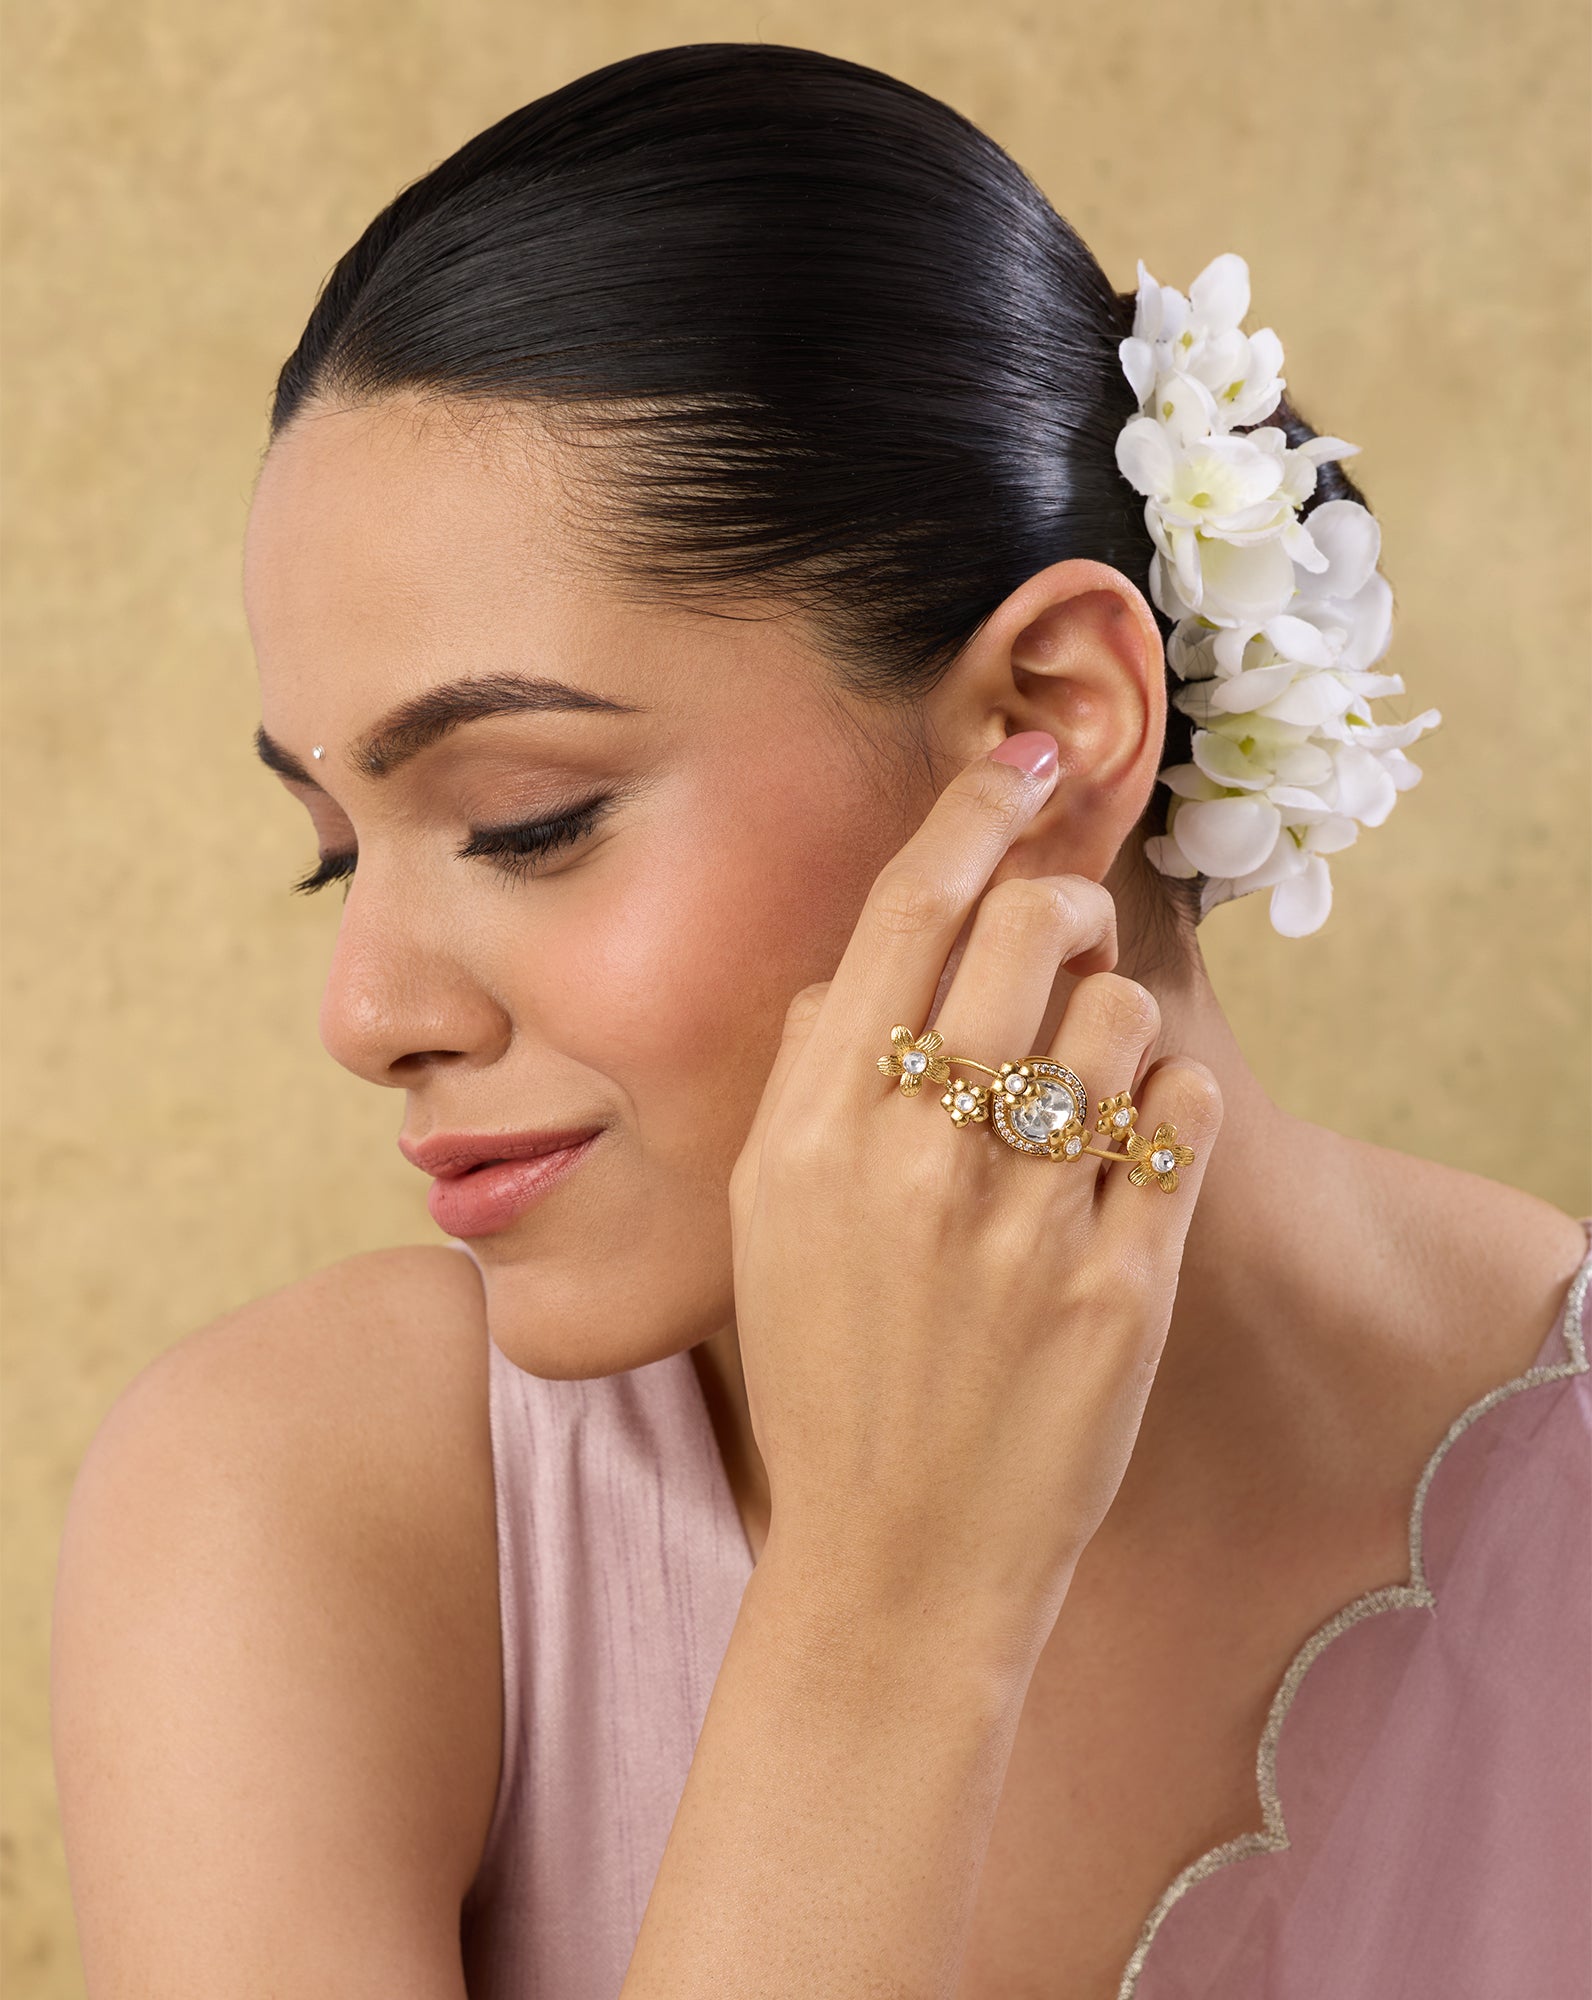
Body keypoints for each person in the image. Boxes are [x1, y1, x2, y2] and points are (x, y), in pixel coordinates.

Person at [50, 43, 1589, 2000]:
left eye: (526, 819)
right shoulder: (303, 1509)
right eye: (335, 857)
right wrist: (888, 1609)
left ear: (1053, 725)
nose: (367, 1012)